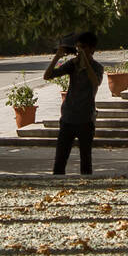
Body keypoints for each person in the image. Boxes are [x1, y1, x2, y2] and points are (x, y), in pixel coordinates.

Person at [45, 31, 103, 175]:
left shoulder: (97, 67)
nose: (79, 51)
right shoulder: (72, 65)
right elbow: (48, 76)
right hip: (67, 119)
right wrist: (57, 57)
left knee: (86, 161)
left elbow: (95, 82)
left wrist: (86, 61)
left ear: (92, 49)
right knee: (59, 161)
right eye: (78, 48)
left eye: (83, 47)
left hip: (85, 119)